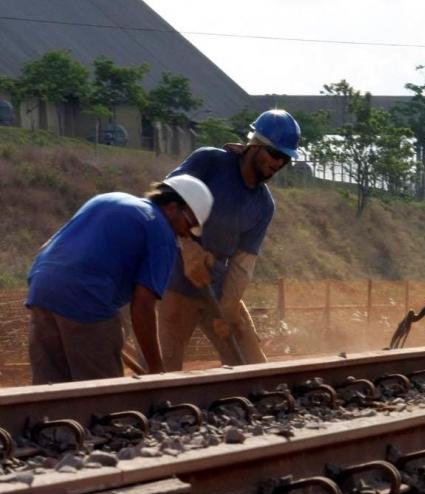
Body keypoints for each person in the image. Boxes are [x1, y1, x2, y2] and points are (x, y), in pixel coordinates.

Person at [27, 176, 213, 384]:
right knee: (101, 401)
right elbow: (142, 307)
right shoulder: (161, 234)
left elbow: (46, 248)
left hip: (41, 290)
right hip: (88, 299)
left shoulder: (109, 199)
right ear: (171, 208)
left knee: (48, 394)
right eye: (190, 223)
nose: (186, 233)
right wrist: (157, 369)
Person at [159, 109, 302, 370]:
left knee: (252, 367)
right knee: (164, 369)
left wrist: (228, 308)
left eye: (285, 159)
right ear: (256, 144)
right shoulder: (209, 163)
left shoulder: (263, 205)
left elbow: (243, 262)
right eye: (275, 155)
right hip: (175, 278)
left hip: (217, 284)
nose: (278, 164)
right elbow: (163, 198)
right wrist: (187, 246)